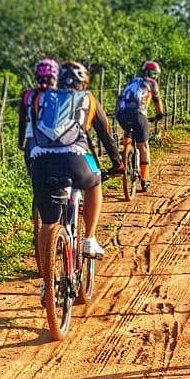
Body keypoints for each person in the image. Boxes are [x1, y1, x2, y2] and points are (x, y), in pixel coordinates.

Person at [27, 61, 123, 265]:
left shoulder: (41, 97)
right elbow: (105, 134)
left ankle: (46, 281)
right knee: (95, 180)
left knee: (48, 224)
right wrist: (117, 164)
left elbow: (31, 134)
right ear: (84, 82)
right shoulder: (88, 98)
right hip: (74, 159)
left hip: (41, 162)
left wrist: (31, 165)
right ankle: (89, 239)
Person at [19, 59, 59, 260]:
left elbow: (21, 121)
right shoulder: (60, 96)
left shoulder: (27, 95)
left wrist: (20, 143)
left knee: (38, 182)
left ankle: (38, 221)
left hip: (30, 145)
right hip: (54, 146)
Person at [116, 60, 165, 192]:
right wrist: (160, 114)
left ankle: (126, 152)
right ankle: (145, 179)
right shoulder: (152, 83)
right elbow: (157, 101)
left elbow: (121, 97)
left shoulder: (132, 80)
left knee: (129, 132)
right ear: (155, 74)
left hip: (121, 113)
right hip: (138, 114)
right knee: (143, 146)